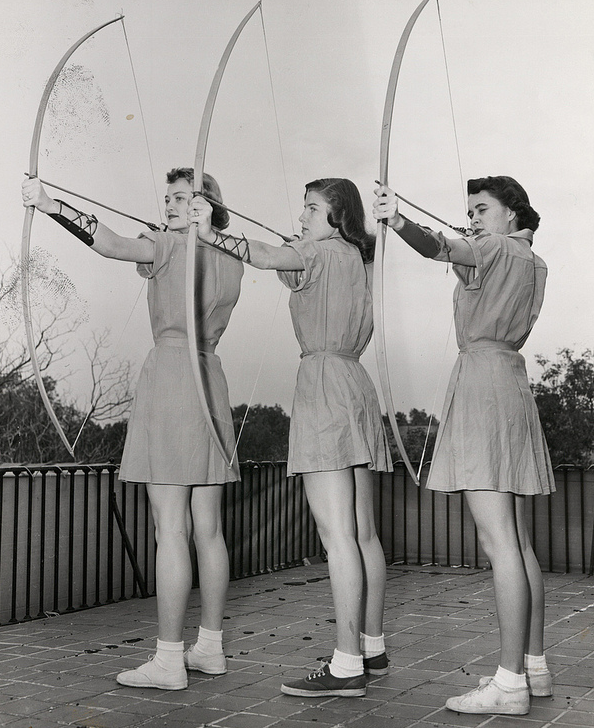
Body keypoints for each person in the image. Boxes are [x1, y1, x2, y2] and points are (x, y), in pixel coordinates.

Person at [22, 169, 243, 691]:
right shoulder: (232, 257)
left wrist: (52, 206)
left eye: (181, 198)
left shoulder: (168, 245)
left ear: (205, 205)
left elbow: (112, 244)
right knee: (208, 529)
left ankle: (168, 660)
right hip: (211, 379)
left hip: (172, 379)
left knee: (171, 529)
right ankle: (209, 648)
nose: (169, 205)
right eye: (167, 197)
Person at [189, 178, 393, 698]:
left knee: (337, 536)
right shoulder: (356, 257)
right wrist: (294, 253)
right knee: (363, 533)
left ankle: (346, 665)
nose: (302, 216)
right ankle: (371, 648)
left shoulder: (316, 252)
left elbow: (262, 255)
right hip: (355, 383)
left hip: (323, 386)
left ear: (336, 215)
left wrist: (209, 231)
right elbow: (296, 274)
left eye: (311, 208)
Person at [373, 176, 554, 716]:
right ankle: (533, 667)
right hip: (510, 384)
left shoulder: (492, 247)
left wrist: (398, 219)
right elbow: (468, 269)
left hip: (481, 387)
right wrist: (461, 253)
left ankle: (509, 684)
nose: (473, 218)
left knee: (499, 544)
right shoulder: (530, 260)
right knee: (518, 542)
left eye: (482, 209)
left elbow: (438, 247)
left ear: (511, 213)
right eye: (469, 211)